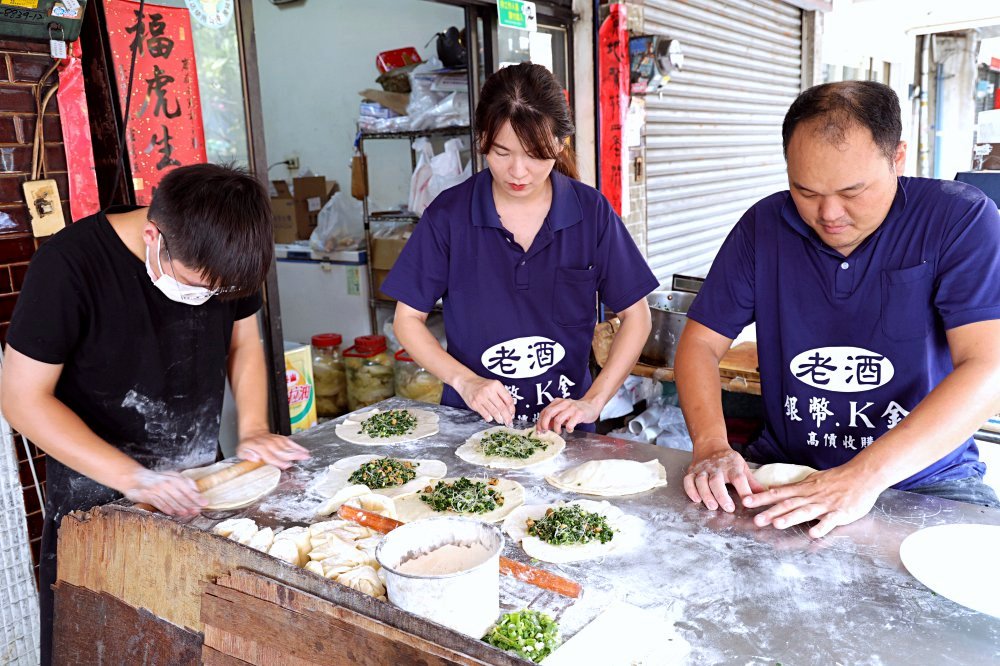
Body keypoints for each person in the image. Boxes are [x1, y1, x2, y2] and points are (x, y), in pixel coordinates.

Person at [0, 163, 310, 664]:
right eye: (196, 284)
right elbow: (21, 398)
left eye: (219, 292)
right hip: (94, 508)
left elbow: (244, 342)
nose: (206, 299)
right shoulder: (69, 266)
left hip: (198, 491)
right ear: (153, 236)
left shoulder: (225, 252)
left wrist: (253, 428)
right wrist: (135, 478)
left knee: (197, 640)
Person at [675, 81, 1000, 539]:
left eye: (852, 191)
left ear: (898, 158)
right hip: (784, 471)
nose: (829, 214)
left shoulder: (960, 219)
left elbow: (989, 366)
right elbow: (701, 343)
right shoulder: (762, 227)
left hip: (928, 480)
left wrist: (862, 477)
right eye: (804, 191)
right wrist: (710, 444)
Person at [384, 62, 657, 433]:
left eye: (535, 154)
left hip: (566, 432)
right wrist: (465, 382)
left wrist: (593, 400)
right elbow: (407, 320)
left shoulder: (590, 212)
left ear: (560, 145)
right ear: (481, 138)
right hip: (470, 427)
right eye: (501, 153)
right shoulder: (449, 215)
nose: (518, 172)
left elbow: (637, 317)